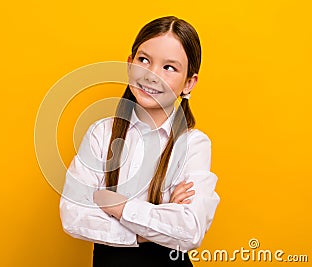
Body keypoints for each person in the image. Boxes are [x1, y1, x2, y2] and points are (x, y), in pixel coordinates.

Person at [59, 16, 220, 267]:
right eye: (144, 60)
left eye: (169, 67)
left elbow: (190, 230)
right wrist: (159, 222)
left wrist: (119, 207)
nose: (151, 76)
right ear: (129, 64)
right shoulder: (101, 134)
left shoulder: (193, 144)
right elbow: (73, 215)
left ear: (189, 83)